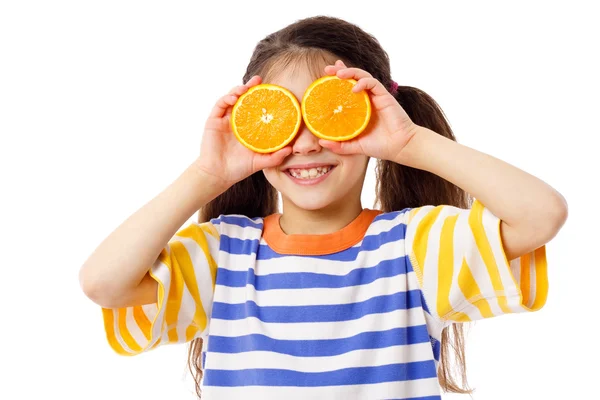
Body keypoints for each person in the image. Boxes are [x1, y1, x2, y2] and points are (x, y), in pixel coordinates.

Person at [79, 15, 568, 400]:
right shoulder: (222, 257)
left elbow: (541, 214)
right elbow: (104, 282)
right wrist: (207, 175)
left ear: (373, 114)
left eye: (329, 112)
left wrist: (409, 142)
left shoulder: (415, 247)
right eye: (281, 118)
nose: (306, 144)